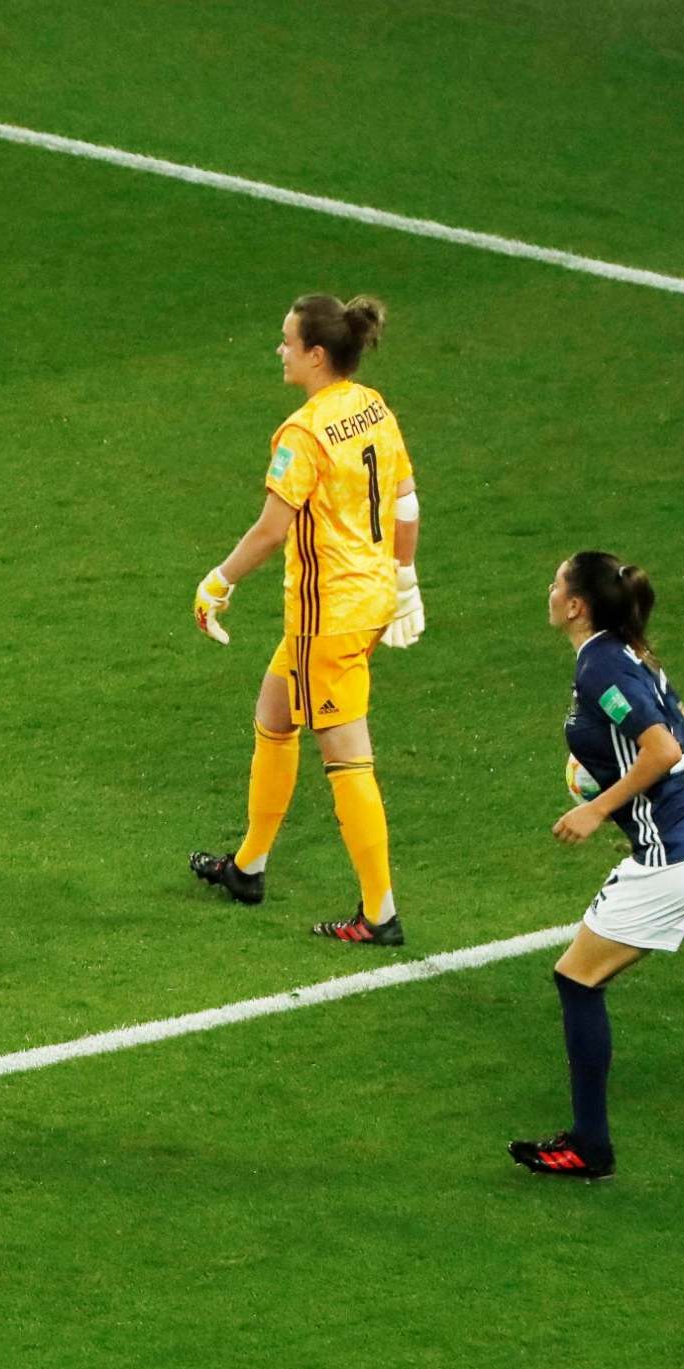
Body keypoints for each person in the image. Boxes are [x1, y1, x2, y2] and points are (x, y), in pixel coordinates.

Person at [508, 553, 684, 1179]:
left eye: (556, 584)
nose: (549, 592)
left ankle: (589, 1146)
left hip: (677, 857)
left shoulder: (602, 664)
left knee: (577, 979)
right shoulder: (628, 653)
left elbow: (662, 745)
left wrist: (599, 807)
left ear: (576, 606)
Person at [186, 294, 424, 944]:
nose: (279, 350)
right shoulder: (372, 404)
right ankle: (248, 866)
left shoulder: (306, 431)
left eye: (287, 341)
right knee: (273, 710)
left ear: (316, 354)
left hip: (332, 618)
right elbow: (406, 500)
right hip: (368, 598)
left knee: (348, 757)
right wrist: (404, 578)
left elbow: (270, 529)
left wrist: (218, 581)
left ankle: (380, 913)